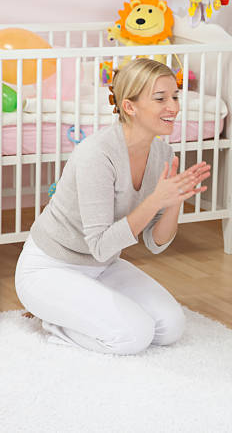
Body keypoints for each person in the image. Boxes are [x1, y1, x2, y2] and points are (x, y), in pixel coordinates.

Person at [15, 58, 210, 355]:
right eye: (160, 99)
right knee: (134, 337)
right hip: (50, 267)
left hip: (102, 267)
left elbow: (155, 243)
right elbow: (101, 245)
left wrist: (173, 202)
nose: (173, 106)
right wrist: (157, 198)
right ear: (130, 107)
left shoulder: (162, 152)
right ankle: (54, 322)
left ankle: (77, 309)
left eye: (174, 96)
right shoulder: (97, 154)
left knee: (171, 327)